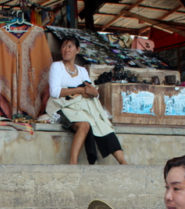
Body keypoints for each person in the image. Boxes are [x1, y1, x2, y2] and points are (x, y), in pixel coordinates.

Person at [46, 36, 126, 165]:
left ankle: (123, 162)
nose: (66, 49)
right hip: (63, 105)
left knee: (102, 125)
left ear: (77, 50)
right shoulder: (56, 66)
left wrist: (93, 92)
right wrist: (79, 90)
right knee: (85, 124)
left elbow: (92, 91)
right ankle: (73, 163)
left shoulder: (82, 70)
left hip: (83, 105)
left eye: (70, 46)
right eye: (64, 46)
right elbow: (55, 92)